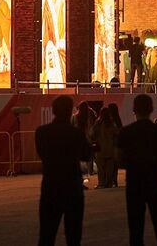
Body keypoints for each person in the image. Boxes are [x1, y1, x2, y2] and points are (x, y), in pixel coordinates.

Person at [116, 94, 157, 246]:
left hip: (134, 184)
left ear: (134, 110)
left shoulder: (125, 132)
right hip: (156, 182)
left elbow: (120, 161)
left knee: (135, 230)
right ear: (151, 108)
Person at [36, 96, 93, 245]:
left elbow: (42, 154)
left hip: (50, 186)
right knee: (73, 236)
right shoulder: (76, 133)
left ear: (54, 111)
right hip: (72, 187)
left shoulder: (41, 132)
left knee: (47, 235)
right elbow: (86, 155)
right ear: (69, 111)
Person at [93, 107, 119, 189]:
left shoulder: (98, 123)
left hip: (100, 149)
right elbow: (116, 134)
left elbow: (92, 133)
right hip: (110, 148)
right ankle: (109, 183)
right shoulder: (112, 123)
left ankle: (101, 183)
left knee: (101, 168)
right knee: (109, 168)